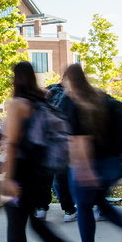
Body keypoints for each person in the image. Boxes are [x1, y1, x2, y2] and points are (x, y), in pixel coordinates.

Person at [0, 61, 78, 242]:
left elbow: (12, 145)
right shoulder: (42, 99)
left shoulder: (17, 104)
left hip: (20, 174)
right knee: (33, 220)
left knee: (15, 225)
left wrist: (9, 179)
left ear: (17, 78)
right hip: (40, 173)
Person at [60, 64, 122, 242]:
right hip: (111, 163)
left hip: (89, 164)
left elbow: (80, 141)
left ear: (69, 80)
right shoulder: (100, 96)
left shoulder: (75, 102)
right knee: (100, 202)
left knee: (85, 206)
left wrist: (85, 171)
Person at [40, 82, 76, 222]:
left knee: (45, 177)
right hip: (63, 142)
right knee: (62, 177)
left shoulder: (49, 90)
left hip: (46, 141)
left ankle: (42, 208)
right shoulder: (70, 95)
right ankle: (68, 211)